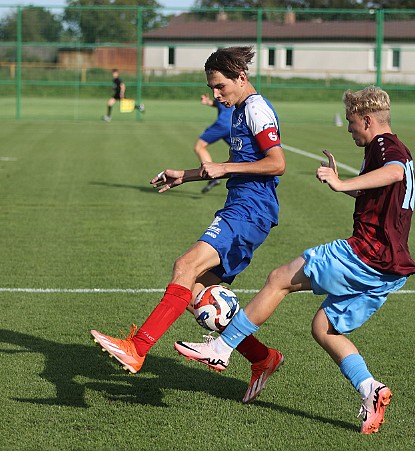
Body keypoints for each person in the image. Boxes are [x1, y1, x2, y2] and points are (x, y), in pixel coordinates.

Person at [175, 86, 415, 434]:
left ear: (368, 120)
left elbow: (394, 172)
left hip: (368, 253)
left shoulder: (385, 146)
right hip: (391, 267)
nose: (349, 129)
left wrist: (341, 182)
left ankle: (222, 347)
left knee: (279, 279)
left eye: (352, 123)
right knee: (324, 327)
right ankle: (371, 390)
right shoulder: (396, 148)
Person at [91, 46, 286, 403]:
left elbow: (277, 164)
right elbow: (239, 162)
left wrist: (224, 168)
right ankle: (263, 358)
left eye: (220, 86)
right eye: (212, 88)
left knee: (185, 265)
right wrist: (188, 174)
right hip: (242, 207)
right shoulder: (240, 109)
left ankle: (138, 348)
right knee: (199, 291)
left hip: (250, 211)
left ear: (241, 78)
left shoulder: (256, 109)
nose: (215, 95)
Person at [195, 94, 234, 193]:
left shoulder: (223, 90)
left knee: (199, 147)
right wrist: (209, 102)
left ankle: (213, 176)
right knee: (240, 151)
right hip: (233, 125)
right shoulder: (230, 90)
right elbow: (219, 104)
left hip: (222, 124)